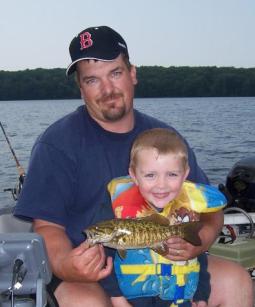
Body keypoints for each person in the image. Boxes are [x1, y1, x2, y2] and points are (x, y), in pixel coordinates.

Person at [14, 26, 253, 307]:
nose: (107, 90)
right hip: (93, 277)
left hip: (167, 263)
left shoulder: (167, 140)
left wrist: (197, 243)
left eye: (115, 73)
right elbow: (47, 227)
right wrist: (67, 264)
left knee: (237, 281)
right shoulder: (56, 144)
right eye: (92, 80)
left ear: (133, 74)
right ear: (81, 88)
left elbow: (211, 213)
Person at [104, 127, 226, 307]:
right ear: (134, 175)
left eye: (172, 174)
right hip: (134, 301)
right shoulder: (115, 210)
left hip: (179, 299)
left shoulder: (186, 213)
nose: (161, 185)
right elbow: (103, 258)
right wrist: (116, 297)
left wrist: (201, 297)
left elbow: (199, 258)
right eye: (150, 175)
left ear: (185, 174)